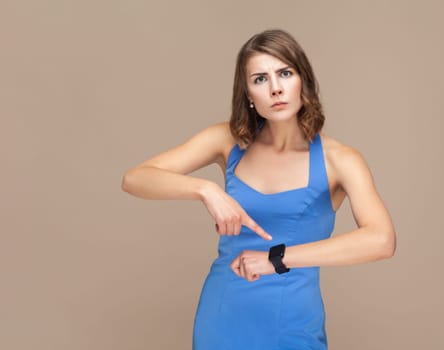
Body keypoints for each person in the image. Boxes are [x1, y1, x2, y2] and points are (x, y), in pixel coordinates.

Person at [122, 28, 396, 350]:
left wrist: (276, 259)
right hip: (223, 315)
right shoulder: (228, 141)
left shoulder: (340, 160)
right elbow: (135, 178)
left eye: (285, 73)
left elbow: (381, 240)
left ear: (302, 82)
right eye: (260, 79)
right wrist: (206, 190)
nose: (276, 89)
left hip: (292, 323)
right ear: (249, 95)